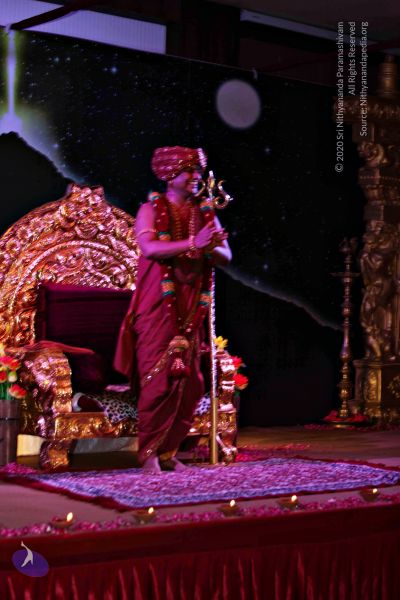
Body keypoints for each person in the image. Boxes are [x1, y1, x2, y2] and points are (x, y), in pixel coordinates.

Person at [114, 146, 232, 472]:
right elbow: (149, 247)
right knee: (158, 382)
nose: (196, 177)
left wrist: (210, 247)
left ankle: (168, 453)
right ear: (169, 174)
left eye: (198, 171)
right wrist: (195, 243)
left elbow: (226, 256)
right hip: (157, 306)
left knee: (191, 384)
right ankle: (148, 454)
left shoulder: (205, 213)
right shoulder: (149, 210)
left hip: (192, 305)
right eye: (189, 171)